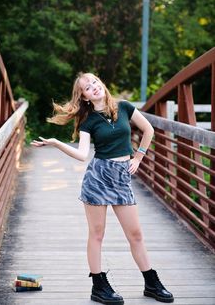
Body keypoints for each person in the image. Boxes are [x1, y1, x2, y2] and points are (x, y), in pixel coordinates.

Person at [31, 72, 174, 304]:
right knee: (97, 235)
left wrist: (138, 157)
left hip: (122, 178)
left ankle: (151, 283)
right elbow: (82, 154)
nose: (93, 87)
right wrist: (57, 143)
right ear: (85, 97)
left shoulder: (125, 107)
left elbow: (149, 130)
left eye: (95, 82)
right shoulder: (89, 121)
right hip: (98, 178)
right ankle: (98, 286)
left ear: (102, 84)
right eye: (87, 87)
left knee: (135, 234)